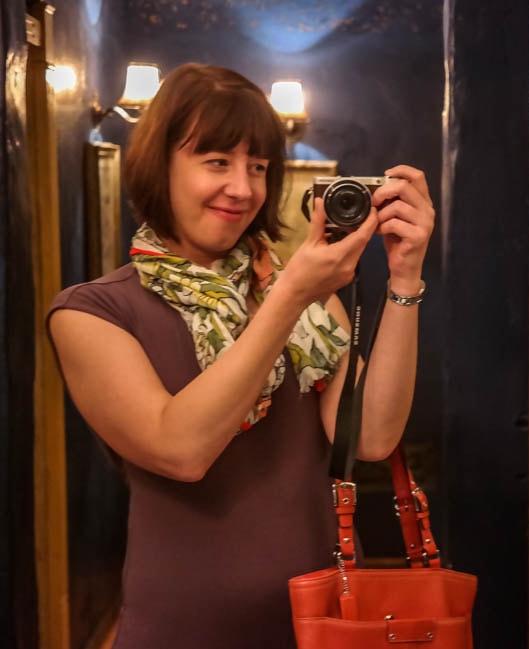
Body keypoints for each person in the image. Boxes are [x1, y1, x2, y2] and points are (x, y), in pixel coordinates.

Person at [48, 62, 434, 648]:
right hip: (183, 630)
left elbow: (371, 439)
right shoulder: (93, 312)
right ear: (159, 165)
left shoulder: (303, 294)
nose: (243, 188)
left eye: (257, 166)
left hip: (321, 621)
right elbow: (181, 451)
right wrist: (290, 297)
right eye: (216, 162)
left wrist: (405, 278)